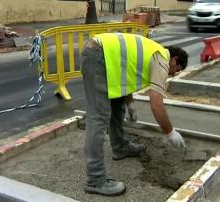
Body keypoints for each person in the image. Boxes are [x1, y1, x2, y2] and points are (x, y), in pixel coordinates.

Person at [80, 32, 188, 196]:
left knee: (117, 106)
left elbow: (125, 76)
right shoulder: (161, 59)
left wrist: (129, 104)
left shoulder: (151, 52)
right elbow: (156, 103)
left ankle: (120, 147)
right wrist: (170, 132)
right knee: (98, 118)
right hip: (98, 55)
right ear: (174, 60)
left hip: (100, 53)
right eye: (176, 70)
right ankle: (95, 179)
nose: (173, 74)